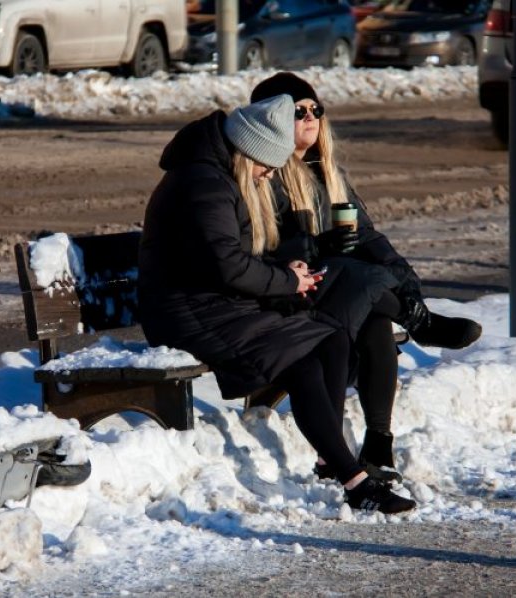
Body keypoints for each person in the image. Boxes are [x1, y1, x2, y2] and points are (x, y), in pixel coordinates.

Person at [138, 94, 416, 514]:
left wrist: (286, 269)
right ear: (247, 152)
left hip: (217, 303)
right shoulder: (203, 184)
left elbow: (229, 257)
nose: (268, 175)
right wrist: (287, 280)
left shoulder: (218, 176)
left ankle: (329, 456)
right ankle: (355, 481)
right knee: (301, 363)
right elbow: (227, 265)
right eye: (266, 165)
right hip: (187, 312)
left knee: (331, 338)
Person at [250, 72, 482, 484]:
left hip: (340, 287)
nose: (309, 117)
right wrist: (325, 248)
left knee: (374, 315)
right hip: (289, 294)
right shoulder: (268, 177)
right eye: (297, 111)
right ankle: (420, 322)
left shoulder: (329, 174)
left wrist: (402, 277)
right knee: (361, 285)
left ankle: (379, 442)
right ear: (272, 121)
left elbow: (369, 237)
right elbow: (269, 253)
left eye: (314, 109)